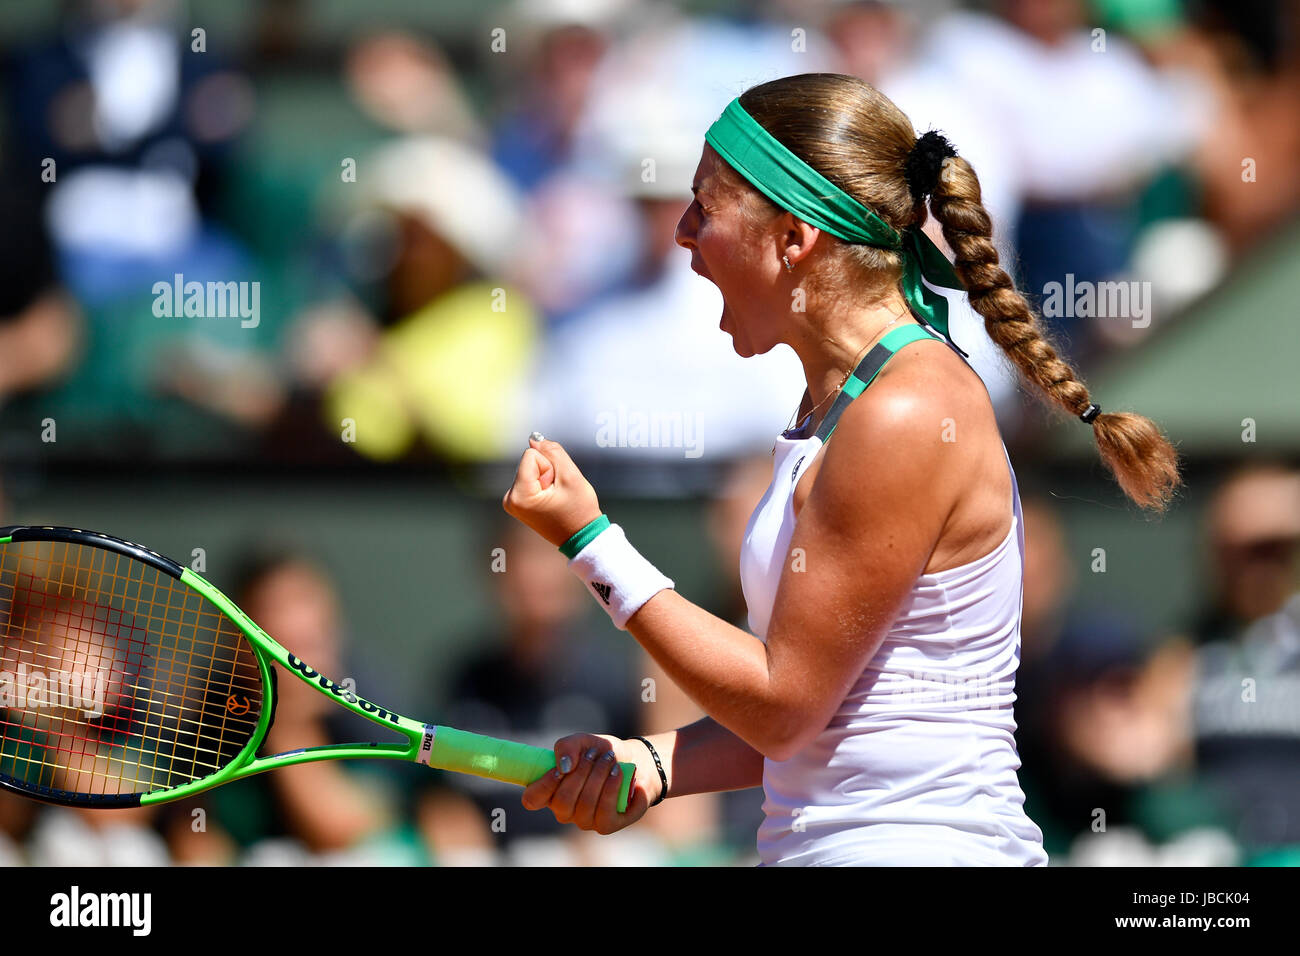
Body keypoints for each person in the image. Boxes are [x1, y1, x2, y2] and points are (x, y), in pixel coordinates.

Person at [502, 72, 1178, 866]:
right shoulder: (845, 405)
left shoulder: (905, 410)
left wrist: (589, 541)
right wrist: (656, 764)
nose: (683, 232)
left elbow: (785, 708)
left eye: (706, 206)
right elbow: (832, 715)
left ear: (793, 238)